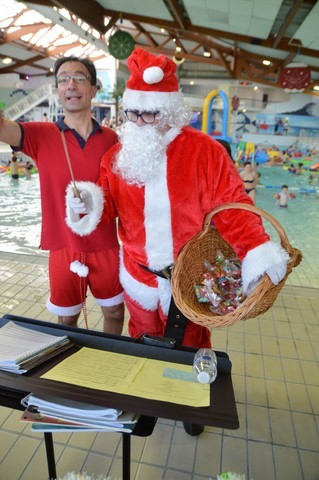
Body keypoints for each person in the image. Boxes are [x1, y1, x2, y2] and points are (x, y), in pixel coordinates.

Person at [66, 48, 289, 350]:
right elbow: (106, 207)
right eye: (134, 113)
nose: (140, 122)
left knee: (190, 347)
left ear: (170, 111)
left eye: (150, 113)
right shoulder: (117, 157)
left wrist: (255, 250)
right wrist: (89, 205)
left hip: (189, 278)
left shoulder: (205, 151)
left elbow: (232, 207)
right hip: (137, 277)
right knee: (140, 342)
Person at [0, 55, 124, 334]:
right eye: (63, 79)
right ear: (57, 89)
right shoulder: (40, 135)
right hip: (63, 245)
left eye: (79, 78)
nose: (71, 84)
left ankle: (110, 367)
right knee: (67, 319)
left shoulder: (112, 140)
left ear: (94, 89)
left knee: (115, 313)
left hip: (105, 241)